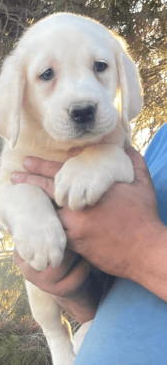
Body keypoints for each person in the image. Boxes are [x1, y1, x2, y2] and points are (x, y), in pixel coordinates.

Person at [12, 123, 167, 364]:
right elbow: (136, 299)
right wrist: (80, 295)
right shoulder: (161, 143)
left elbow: (137, 252)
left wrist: (141, 250)